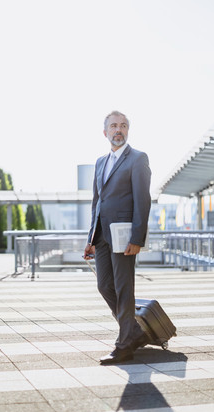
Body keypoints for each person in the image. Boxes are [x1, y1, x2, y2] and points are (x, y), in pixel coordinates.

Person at [83, 110, 151, 365]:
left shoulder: (137, 159)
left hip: (123, 237)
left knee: (124, 290)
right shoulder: (100, 162)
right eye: (113, 126)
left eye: (122, 125)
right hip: (101, 236)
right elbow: (96, 203)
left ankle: (124, 345)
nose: (118, 130)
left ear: (127, 130)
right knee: (104, 285)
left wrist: (137, 237)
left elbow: (142, 201)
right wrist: (90, 237)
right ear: (105, 132)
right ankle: (133, 331)